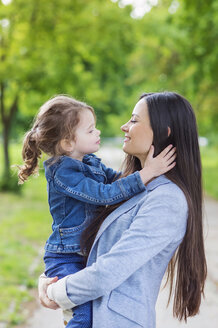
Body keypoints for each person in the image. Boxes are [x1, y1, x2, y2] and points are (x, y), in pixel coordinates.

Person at [38, 92, 207, 328]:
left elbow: (108, 272)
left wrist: (53, 290)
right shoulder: (138, 186)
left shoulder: (168, 199)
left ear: (164, 131)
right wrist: (47, 280)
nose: (124, 126)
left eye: (134, 120)